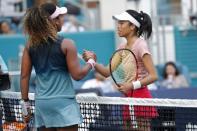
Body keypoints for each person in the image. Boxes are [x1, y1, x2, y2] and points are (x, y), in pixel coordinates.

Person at [20, 3, 96, 131]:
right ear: (54, 21)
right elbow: (77, 75)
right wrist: (91, 62)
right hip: (64, 103)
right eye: (60, 17)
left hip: (42, 104)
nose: (63, 20)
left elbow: (24, 76)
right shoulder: (67, 44)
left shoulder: (29, 46)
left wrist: (25, 105)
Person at [83, 10, 158, 130]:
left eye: (122, 23)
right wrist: (92, 61)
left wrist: (132, 86)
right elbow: (107, 72)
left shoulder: (140, 45)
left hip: (140, 97)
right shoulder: (121, 48)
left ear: (132, 26)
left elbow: (154, 75)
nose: (118, 26)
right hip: (127, 97)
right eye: (118, 23)